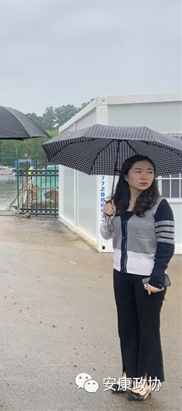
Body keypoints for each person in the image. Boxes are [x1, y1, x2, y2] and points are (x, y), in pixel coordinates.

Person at [100, 155, 175, 401]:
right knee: (127, 327)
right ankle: (129, 373)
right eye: (138, 171)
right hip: (121, 275)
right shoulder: (117, 204)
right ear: (125, 175)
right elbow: (107, 235)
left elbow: (166, 245)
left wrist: (156, 278)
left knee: (147, 330)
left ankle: (147, 379)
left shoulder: (160, 206)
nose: (144, 176)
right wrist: (107, 214)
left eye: (150, 171)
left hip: (148, 278)